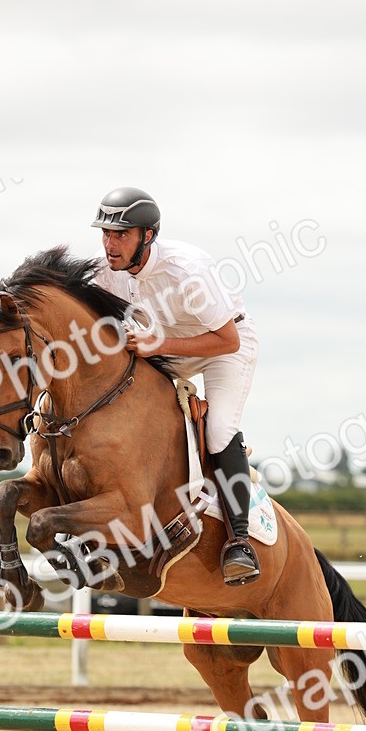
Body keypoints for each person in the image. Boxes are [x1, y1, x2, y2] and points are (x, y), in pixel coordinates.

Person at [91, 186, 260, 585]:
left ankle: (239, 542)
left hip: (226, 344)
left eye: (121, 235)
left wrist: (159, 346)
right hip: (166, 349)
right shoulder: (106, 273)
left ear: (147, 236)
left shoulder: (187, 270)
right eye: (106, 234)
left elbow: (227, 341)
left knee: (219, 430)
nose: (110, 245)